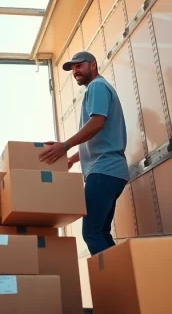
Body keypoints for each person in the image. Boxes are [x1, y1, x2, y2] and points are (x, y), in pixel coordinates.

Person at [39, 51, 129, 256]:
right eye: (73, 68)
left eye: (79, 66)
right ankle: (122, 277)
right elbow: (100, 136)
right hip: (112, 172)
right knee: (102, 233)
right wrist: (72, 158)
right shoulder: (99, 88)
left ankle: (113, 283)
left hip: (104, 171)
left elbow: (97, 123)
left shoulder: (97, 86)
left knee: (92, 233)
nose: (75, 71)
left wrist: (66, 145)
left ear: (93, 65)